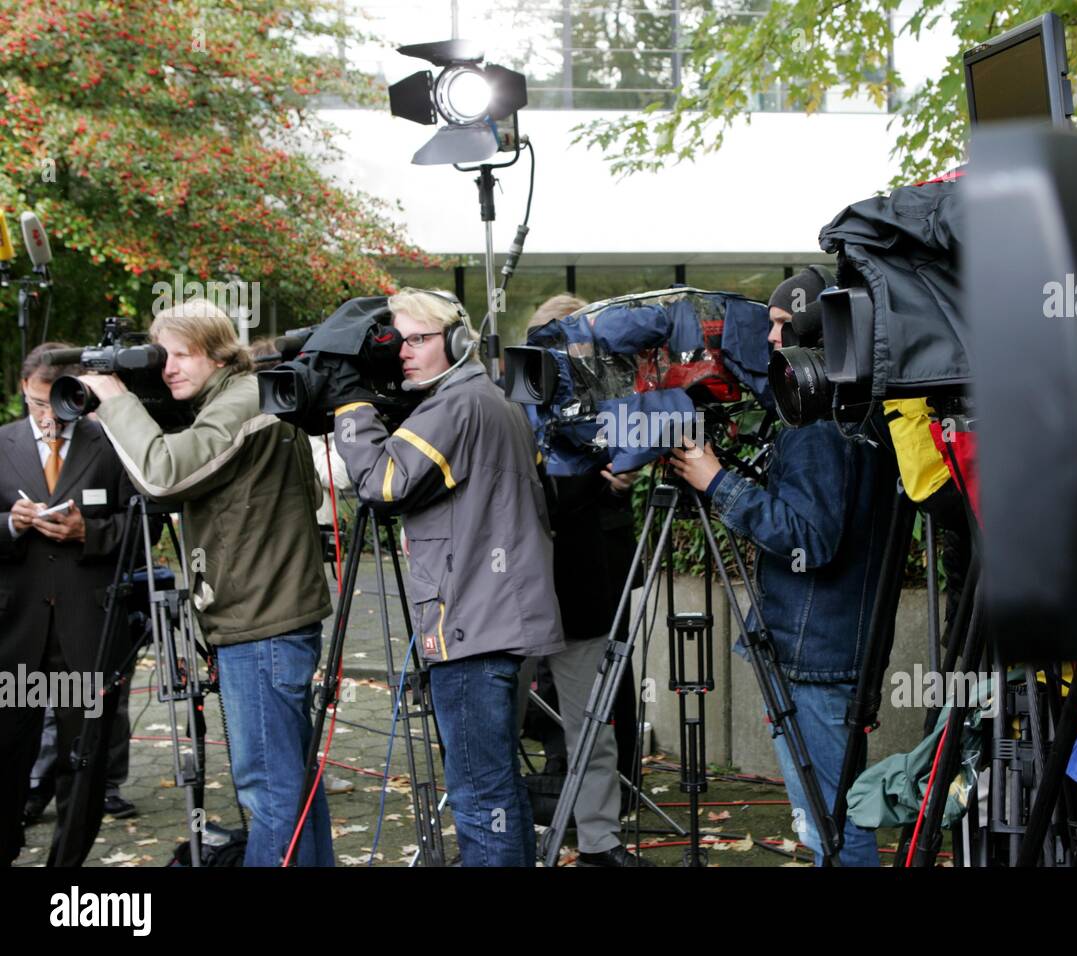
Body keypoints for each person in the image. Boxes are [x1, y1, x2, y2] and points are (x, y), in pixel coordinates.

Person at [79, 300, 335, 866]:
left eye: (179, 354)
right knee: (292, 785)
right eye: (159, 355)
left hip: (260, 622)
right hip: (267, 615)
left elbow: (164, 474)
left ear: (219, 353)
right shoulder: (239, 396)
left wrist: (117, 400)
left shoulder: (243, 402)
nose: (167, 366)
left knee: (269, 791)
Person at [669, 269, 895, 865]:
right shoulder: (856, 406)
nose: (769, 339)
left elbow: (810, 540)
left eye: (780, 325)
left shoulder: (819, 426)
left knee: (832, 827)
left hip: (815, 658)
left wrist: (715, 481)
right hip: (831, 648)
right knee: (835, 819)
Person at [332, 288, 564, 866]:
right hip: (496, 620)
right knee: (498, 788)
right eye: (397, 340)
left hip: (470, 628)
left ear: (458, 341)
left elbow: (383, 484)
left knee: (479, 795)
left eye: (418, 339)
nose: (403, 352)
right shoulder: (494, 399)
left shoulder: (454, 406)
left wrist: (352, 409)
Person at [518, 294, 651, 866]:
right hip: (514, 597)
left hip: (584, 591)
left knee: (593, 728)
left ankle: (601, 842)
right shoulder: (512, 404)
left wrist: (618, 475)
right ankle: (503, 835)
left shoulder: (605, 402)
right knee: (497, 728)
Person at [0, 343, 138, 865]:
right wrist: (10, 524)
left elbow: (142, 523)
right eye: (37, 404)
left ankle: (67, 868)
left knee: (84, 762)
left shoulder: (111, 443)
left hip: (86, 630)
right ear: (24, 391)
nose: (47, 418)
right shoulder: (2, 444)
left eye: (56, 405)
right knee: (9, 751)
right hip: (16, 632)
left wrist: (92, 532)